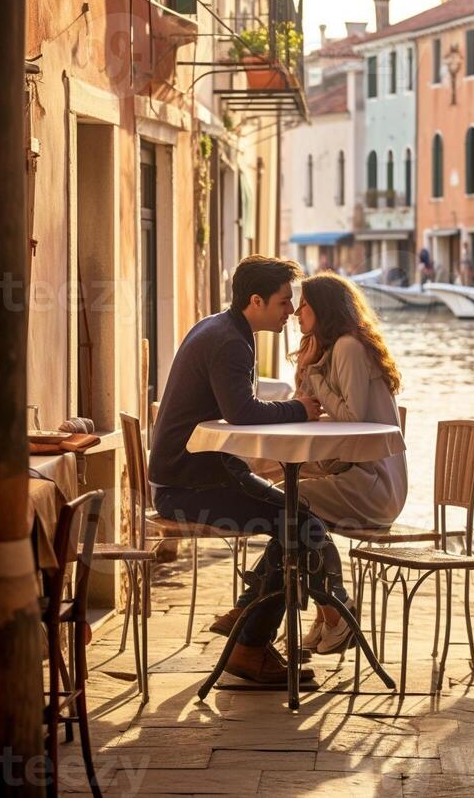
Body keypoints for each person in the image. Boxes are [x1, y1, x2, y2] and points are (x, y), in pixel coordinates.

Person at [149, 255, 348, 685]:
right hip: (189, 488)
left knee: (298, 523)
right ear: (255, 301)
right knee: (302, 526)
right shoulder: (229, 340)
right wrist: (300, 407)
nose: (291, 311)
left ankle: (249, 614)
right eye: (282, 302)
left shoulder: (223, 329)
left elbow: (236, 410)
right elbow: (241, 412)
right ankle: (252, 647)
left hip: (201, 477)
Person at [215, 272, 406, 656]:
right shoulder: (331, 349)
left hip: (371, 485)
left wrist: (316, 377)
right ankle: (328, 612)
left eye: (303, 304)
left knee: (290, 507)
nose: (297, 311)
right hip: (347, 475)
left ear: (324, 309)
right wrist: (308, 368)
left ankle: (263, 607)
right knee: (289, 509)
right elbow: (307, 413)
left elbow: (351, 421)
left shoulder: (351, 347)